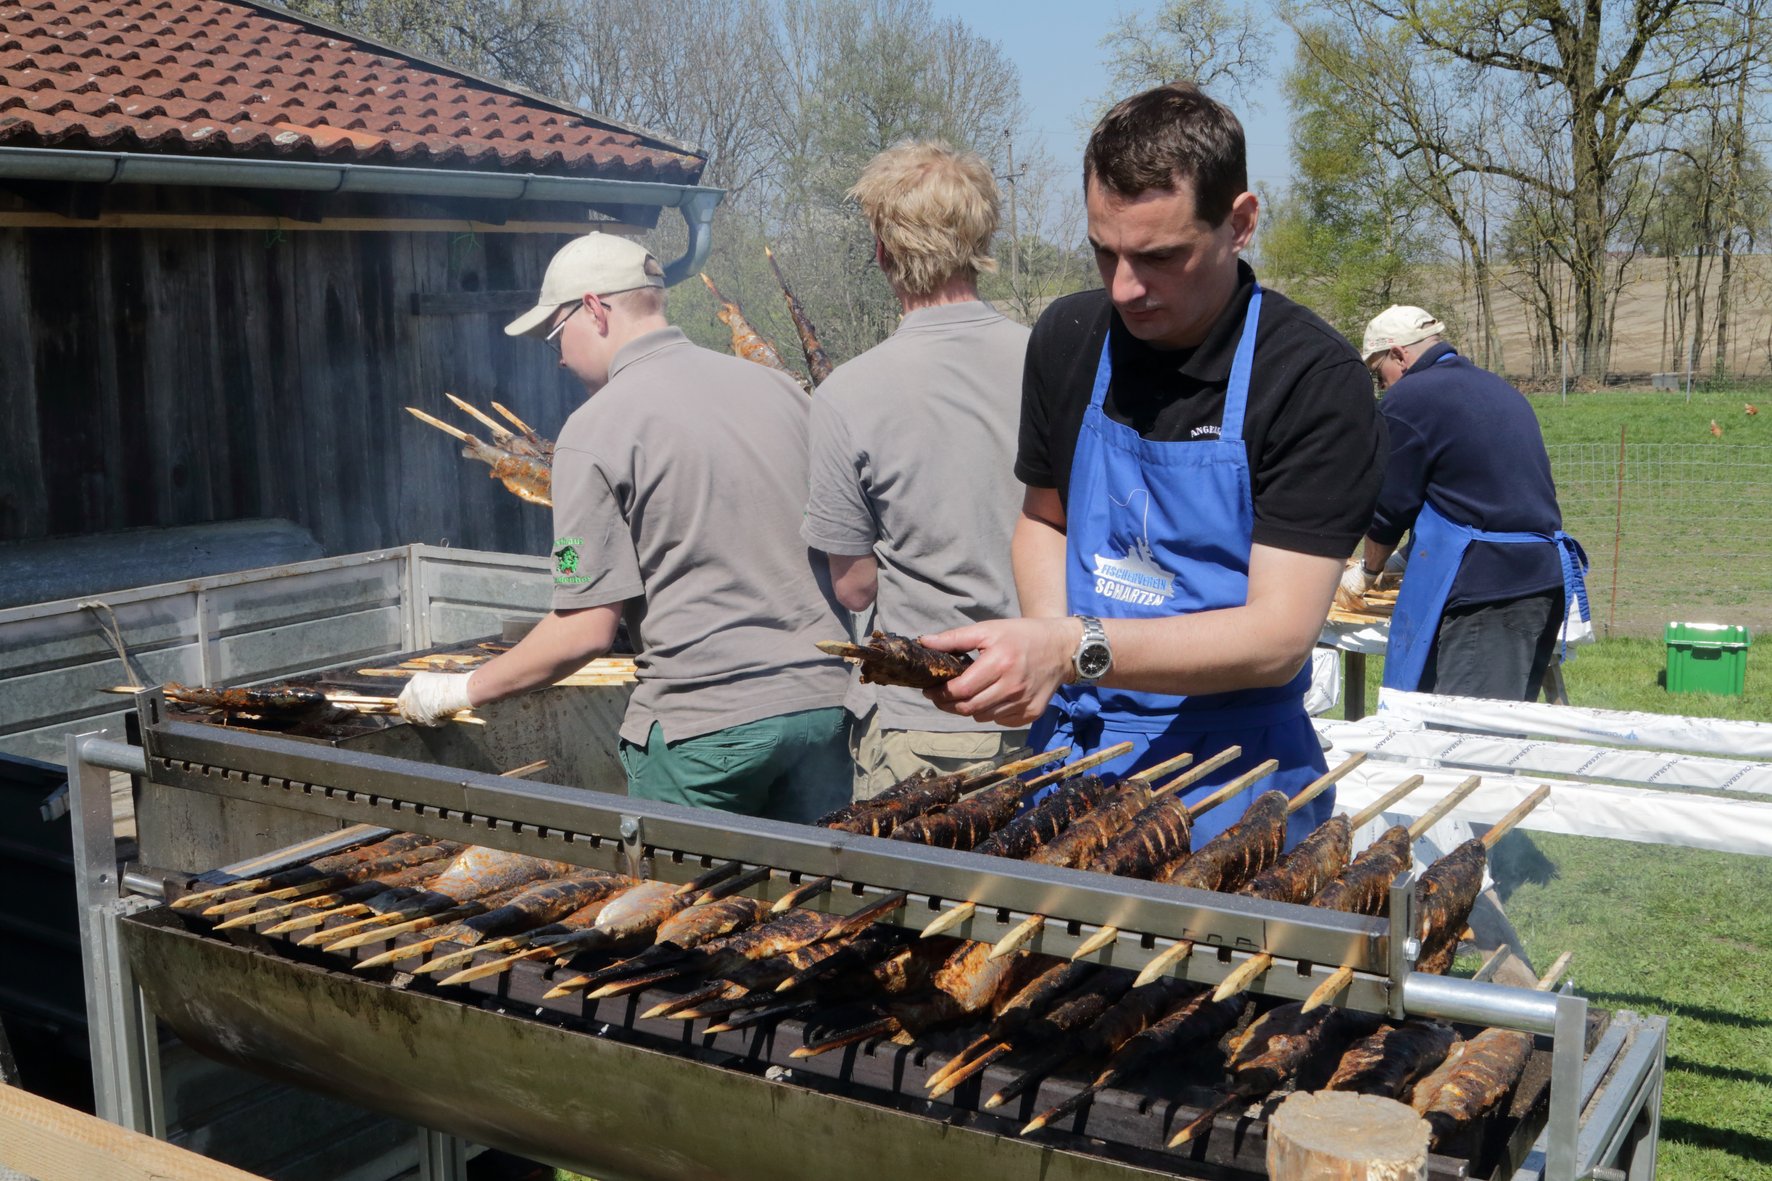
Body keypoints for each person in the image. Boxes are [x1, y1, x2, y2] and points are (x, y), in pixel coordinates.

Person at [921, 82, 1387, 849]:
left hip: (1235, 770)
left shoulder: (1310, 377)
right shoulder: (1069, 336)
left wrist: (1072, 648)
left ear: (1240, 222)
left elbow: (1279, 635)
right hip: (1075, 746)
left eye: (1161, 256)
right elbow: (1044, 519)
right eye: (1104, 251)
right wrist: (1049, 652)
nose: (1125, 287)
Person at [397, 233, 853, 823]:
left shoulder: (594, 429)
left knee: (692, 886)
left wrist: (458, 690)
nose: (558, 358)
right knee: (809, 885)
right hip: (826, 711)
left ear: (594, 309)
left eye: (555, 335)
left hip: (706, 736)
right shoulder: (782, 391)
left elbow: (584, 628)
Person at [802, 142, 1031, 800]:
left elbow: (854, 589)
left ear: (882, 250)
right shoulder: (1050, 360)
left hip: (929, 728)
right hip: (1050, 702)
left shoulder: (848, 394)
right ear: (981, 240)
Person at [1342, 305, 1587, 700]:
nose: (1382, 385)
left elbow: (1389, 507)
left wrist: (1368, 571)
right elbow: (1476, 496)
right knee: (1496, 722)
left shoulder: (1411, 397)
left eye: (1378, 372)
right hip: (1537, 579)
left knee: (1465, 728)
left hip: (1487, 591)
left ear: (1399, 355)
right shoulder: (1496, 388)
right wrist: (1404, 558)